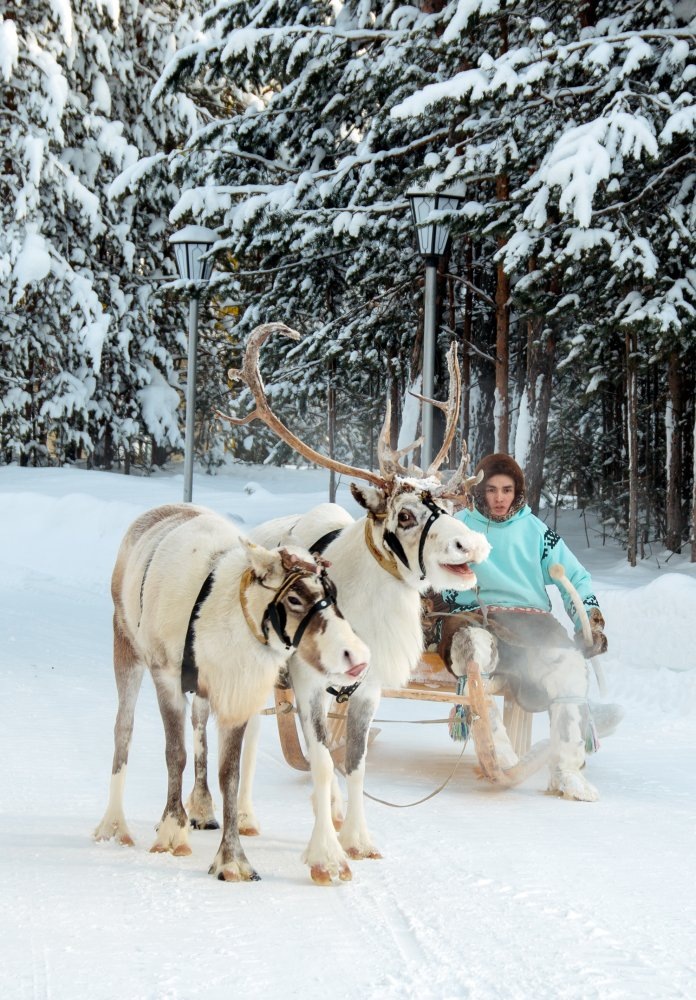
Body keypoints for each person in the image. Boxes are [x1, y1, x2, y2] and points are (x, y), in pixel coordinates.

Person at [424, 452, 622, 801]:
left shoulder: (536, 531)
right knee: (474, 652)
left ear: (518, 492)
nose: (500, 498)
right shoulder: (460, 526)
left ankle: (565, 769)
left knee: (569, 665)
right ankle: (501, 758)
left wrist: (590, 621)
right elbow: (432, 571)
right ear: (480, 491)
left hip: (530, 623)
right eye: (492, 490)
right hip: (474, 617)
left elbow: (575, 579)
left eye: (507, 489)